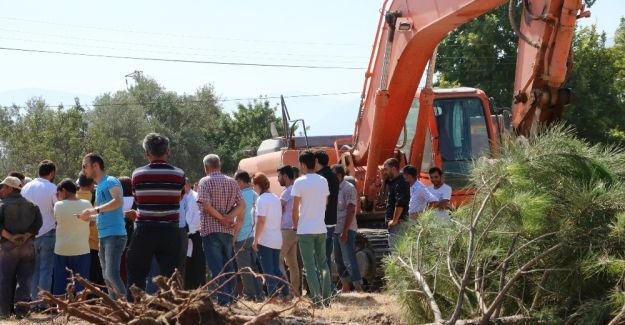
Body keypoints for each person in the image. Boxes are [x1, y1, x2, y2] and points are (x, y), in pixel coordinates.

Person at [126, 133, 185, 296]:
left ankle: (134, 313)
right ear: (168, 151)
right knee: (170, 277)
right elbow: (179, 197)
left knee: (136, 275)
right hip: (170, 231)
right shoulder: (179, 174)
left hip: (144, 230)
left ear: (147, 153)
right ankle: (171, 311)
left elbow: (137, 199)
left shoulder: (137, 174)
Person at [197, 154, 245, 306]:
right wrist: (228, 217)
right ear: (220, 165)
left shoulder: (204, 181)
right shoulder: (232, 182)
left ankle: (223, 300)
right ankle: (231, 298)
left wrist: (220, 218)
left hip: (211, 230)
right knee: (228, 265)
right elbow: (242, 205)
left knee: (216, 267)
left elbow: (206, 205)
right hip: (227, 230)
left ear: (206, 167)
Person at [79, 153, 127, 299]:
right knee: (107, 276)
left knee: (111, 274)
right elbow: (106, 212)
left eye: (85, 166)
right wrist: (90, 217)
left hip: (115, 235)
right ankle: (116, 310)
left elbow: (118, 202)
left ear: (95, 165)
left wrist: (94, 210)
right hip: (104, 236)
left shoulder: (111, 181)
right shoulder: (99, 186)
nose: (83, 170)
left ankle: (126, 309)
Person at [292, 151, 332, 307]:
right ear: (314, 162)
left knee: (309, 266)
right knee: (323, 264)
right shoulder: (323, 180)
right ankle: (327, 300)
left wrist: (295, 225)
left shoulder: (299, 182)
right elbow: (326, 202)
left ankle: (317, 300)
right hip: (321, 228)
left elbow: (294, 209)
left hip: (305, 229)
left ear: (302, 164)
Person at [0, 176, 42, 318]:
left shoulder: (2, 205)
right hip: (27, 246)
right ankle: (21, 312)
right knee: (25, 280)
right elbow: (38, 223)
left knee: (5, 279)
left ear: (11, 188)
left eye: (4, 187)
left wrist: (11, 238)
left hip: (7, 248)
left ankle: (4, 312)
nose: (2, 190)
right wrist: (25, 236)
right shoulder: (32, 205)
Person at [21, 160, 57, 303]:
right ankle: (43, 302)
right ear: (52, 172)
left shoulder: (26, 188)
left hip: (29, 234)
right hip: (48, 231)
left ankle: (34, 300)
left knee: (33, 269)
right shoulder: (52, 188)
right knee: (46, 269)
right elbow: (57, 209)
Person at [53, 179, 92, 296]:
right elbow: (91, 223)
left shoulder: (58, 205)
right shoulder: (87, 204)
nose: (57, 196)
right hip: (82, 249)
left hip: (62, 249)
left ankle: (60, 309)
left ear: (63, 191)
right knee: (82, 284)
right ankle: (82, 309)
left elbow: (57, 221)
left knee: (60, 282)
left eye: (58, 193)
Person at [252, 173, 288, 301]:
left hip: (266, 239)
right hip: (276, 238)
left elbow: (261, 220)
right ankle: (287, 293)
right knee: (276, 270)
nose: (253, 188)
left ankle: (272, 297)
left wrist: (256, 240)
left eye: (253, 185)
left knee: (268, 271)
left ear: (258, 185)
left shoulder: (261, 199)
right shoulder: (275, 197)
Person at [331, 165, 364, 293]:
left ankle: (358, 287)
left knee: (349, 258)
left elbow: (351, 210)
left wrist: (345, 231)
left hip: (346, 229)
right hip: (335, 228)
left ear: (339, 175)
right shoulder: (333, 188)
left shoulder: (348, 188)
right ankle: (345, 286)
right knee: (338, 259)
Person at [233, 171, 264, 301]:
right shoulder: (255, 194)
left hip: (242, 236)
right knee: (254, 267)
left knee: (245, 268)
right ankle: (260, 294)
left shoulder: (239, 196)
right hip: (254, 236)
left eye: (236, 182)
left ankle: (249, 296)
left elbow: (239, 219)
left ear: (240, 181)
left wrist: (233, 237)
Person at [314, 151, 339, 279]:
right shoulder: (331, 175)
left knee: (321, 257)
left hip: (322, 222)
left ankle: (325, 286)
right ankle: (328, 286)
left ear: (317, 161)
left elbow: (324, 200)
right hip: (330, 220)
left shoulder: (322, 177)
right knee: (325, 257)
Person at [277, 165, 301, 297]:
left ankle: (285, 290)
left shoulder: (286, 192)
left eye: (279, 176)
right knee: (292, 263)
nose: (278, 179)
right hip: (295, 229)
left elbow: (278, 211)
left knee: (278, 259)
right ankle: (295, 292)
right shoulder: (296, 189)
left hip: (286, 229)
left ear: (285, 176)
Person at [76, 173, 103, 285]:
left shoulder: (71, 198)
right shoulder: (97, 198)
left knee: (75, 277)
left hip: (74, 244)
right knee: (92, 277)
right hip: (92, 244)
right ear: (92, 184)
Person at [382, 158, 411, 249]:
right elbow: (382, 197)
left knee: (396, 252)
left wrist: (394, 220)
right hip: (396, 223)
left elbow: (400, 203)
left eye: (386, 169)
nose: (384, 172)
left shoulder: (400, 183)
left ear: (393, 169)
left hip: (398, 224)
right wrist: (383, 180)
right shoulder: (393, 182)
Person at [183, 178, 206, 290]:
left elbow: (198, 216)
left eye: (184, 184)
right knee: (187, 263)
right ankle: (188, 288)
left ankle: (200, 286)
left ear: (189, 184)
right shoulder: (180, 198)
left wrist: (189, 230)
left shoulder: (196, 196)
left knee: (198, 262)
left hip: (196, 233)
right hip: (183, 235)